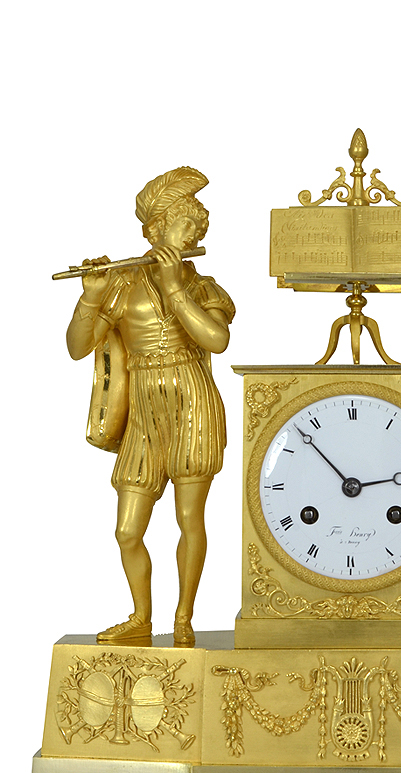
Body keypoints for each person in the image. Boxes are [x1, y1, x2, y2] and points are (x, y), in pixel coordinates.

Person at [66, 167, 234, 646]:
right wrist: (91, 297)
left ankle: (183, 618)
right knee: (127, 530)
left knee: (188, 518)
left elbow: (216, 339)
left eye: (198, 225)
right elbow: (78, 347)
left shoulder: (202, 286)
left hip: (192, 401)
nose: (194, 233)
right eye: (185, 222)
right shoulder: (121, 286)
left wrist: (174, 285)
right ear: (156, 230)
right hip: (144, 409)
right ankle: (141, 617)